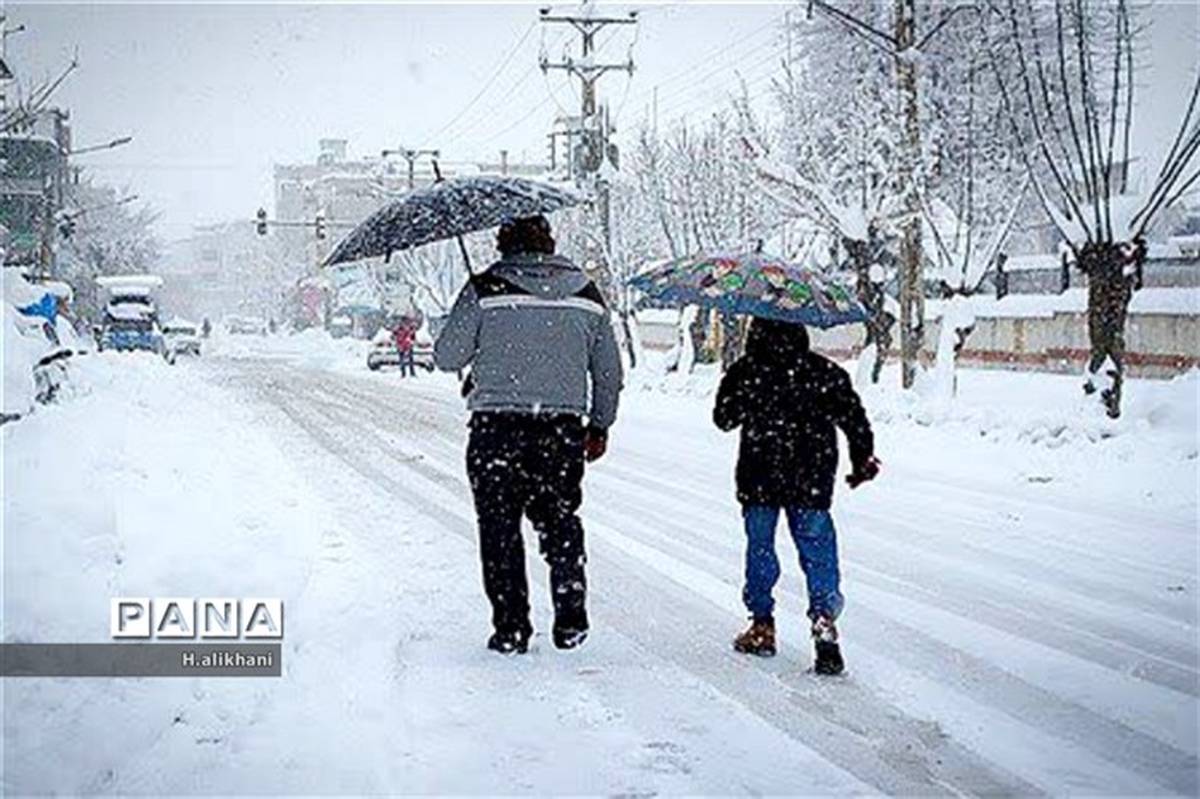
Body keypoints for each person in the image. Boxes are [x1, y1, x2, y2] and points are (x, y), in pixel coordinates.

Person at [434, 214, 623, 655]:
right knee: (560, 520)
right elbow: (609, 372)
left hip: (496, 429)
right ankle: (571, 613)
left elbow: (446, 356)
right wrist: (600, 424)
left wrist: (477, 331)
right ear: (550, 244)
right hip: (560, 431)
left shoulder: (485, 289)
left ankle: (511, 627)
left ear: (503, 245)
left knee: (499, 531)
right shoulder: (587, 294)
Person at [713, 317, 878, 675]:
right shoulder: (822, 371)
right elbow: (854, 418)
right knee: (817, 551)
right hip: (811, 476)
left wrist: (741, 389)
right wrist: (861, 458)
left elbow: (723, 419)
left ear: (754, 333)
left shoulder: (747, 371)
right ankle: (823, 619)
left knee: (760, 549)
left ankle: (762, 625)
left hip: (760, 476)